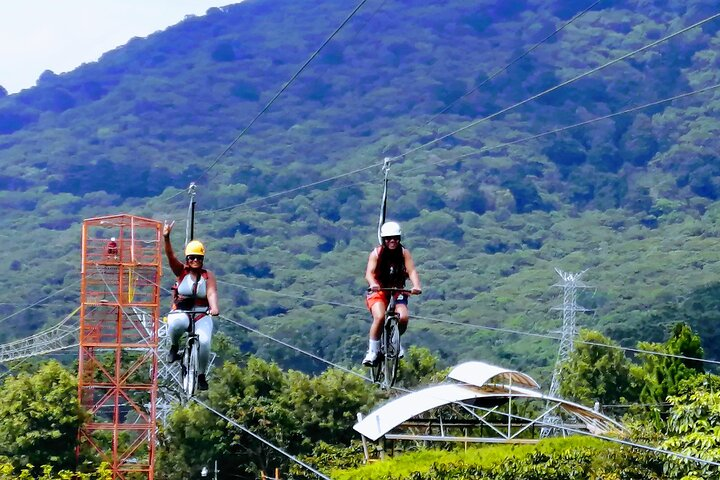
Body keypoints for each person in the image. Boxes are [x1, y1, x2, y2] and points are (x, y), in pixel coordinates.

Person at [163, 220, 220, 391]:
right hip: (183, 311)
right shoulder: (181, 272)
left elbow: (211, 292)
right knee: (176, 323)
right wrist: (166, 238)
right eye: (192, 258)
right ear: (188, 259)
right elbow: (170, 257)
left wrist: (214, 307)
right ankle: (174, 345)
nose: (195, 260)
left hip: (202, 313)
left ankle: (201, 374)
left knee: (204, 342)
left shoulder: (207, 275)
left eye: (199, 258)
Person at [363, 221, 422, 366]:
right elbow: (369, 273)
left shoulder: (403, 253)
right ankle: (373, 351)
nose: (392, 241)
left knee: (403, 317)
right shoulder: (376, 254)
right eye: (389, 238)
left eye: (395, 238)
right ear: (384, 239)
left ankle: (394, 341)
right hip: (379, 290)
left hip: (397, 289)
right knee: (380, 316)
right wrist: (373, 284)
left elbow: (411, 270)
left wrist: (416, 285)